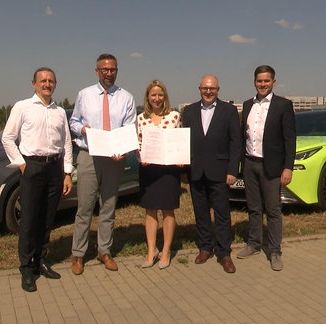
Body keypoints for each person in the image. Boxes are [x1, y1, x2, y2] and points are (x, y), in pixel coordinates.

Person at [1, 67, 74, 292]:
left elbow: (67, 143)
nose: (47, 84)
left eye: (51, 81)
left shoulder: (60, 112)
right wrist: (22, 164)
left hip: (54, 169)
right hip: (32, 167)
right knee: (30, 219)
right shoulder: (22, 107)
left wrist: (68, 172)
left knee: (47, 218)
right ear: (34, 83)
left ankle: (41, 260)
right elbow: (7, 138)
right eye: (42, 80)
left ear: (55, 84)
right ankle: (26, 268)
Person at [69, 53, 136, 275]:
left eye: (113, 69)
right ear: (97, 71)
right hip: (89, 155)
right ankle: (78, 254)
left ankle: (104, 251)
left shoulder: (126, 97)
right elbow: (74, 121)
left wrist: (122, 149)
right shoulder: (84, 95)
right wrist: (84, 129)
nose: (109, 73)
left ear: (117, 71)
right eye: (105, 70)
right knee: (85, 207)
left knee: (108, 206)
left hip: (114, 158)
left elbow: (129, 127)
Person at [237, 65, 296, 271]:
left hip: (271, 167)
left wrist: (288, 167)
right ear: (254, 82)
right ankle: (254, 243)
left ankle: (274, 251)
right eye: (259, 81)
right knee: (253, 207)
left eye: (266, 81)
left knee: (272, 209)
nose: (262, 84)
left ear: (273, 82)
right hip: (250, 163)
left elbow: (290, 140)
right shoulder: (247, 105)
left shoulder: (283, 105)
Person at [181, 75, 242, 273]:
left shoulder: (229, 111)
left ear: (218, 89)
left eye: (212, 88)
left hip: (220, 172)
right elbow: (183, 142)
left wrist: (233, 170)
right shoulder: (188, 111)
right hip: (196, 171)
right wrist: (183, 171)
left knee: (222, 214)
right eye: (205, 88)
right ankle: (205, 247)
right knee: (200, 212)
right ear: (199, 89)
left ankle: (224, 253)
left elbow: (236, 142)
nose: (208, 92)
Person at [136, 80, 182, 270]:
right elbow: (138, 144)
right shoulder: (141, 118)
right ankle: (151, 250)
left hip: (169, 171)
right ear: (148, 97)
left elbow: (179, 141)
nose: (157, 98)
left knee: (168, 210)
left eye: (160, 95)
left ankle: (166, 251)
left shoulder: (174, 116)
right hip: (149, 171)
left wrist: (180, 157)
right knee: (150, 210)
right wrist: (141, 158)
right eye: (153, 95)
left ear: (165, 97)